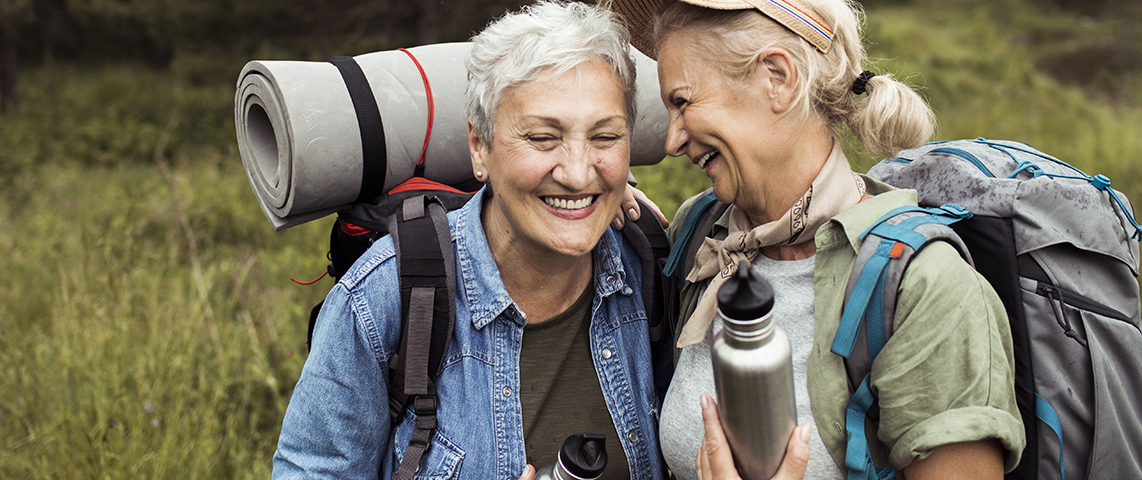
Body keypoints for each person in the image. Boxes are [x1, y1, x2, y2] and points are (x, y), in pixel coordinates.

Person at [600, 0, 1027, 478]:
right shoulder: (705, 232)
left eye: (683, 102)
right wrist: (588, 184)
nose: (673, 140)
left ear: (777, 78)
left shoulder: (922, 290)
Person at [271, 2, 668, 479]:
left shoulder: (652, 264)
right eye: (543, 138)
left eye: (604, 137)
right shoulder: (382, 300)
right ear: (480, 147)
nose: (579, 172)